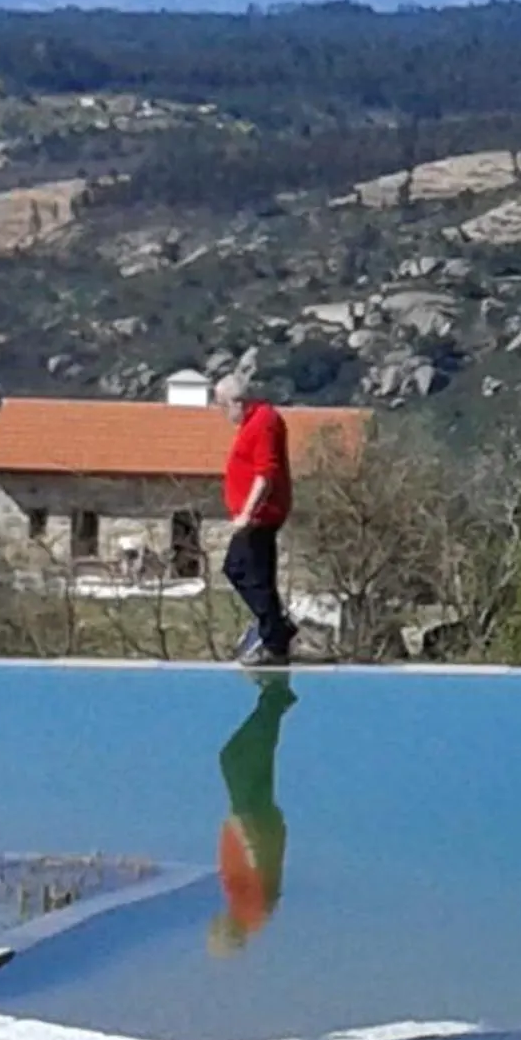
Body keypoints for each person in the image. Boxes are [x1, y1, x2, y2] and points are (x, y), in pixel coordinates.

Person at [208, 671, 294, 955]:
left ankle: (273, 698)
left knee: (254, 761)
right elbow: (257, 863)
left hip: (258, 821)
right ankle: (274, 697)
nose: (212, 925)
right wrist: (243, 830)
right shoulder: (251, 911)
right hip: (251, 820)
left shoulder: (249, 913)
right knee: (233, 758)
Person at [217, 371, 297, 665]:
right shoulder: (255, 422)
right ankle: (275, 632)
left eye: (222, 406)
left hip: (261, 515)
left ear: (236, 402)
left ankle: (276, 634)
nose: (223, 414)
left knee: (239, 569)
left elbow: (266, 473)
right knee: (256, 575)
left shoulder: (264, 422)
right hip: (255, 515)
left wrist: (248, 513)